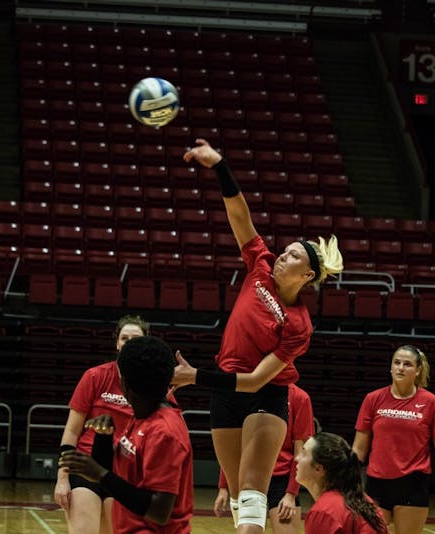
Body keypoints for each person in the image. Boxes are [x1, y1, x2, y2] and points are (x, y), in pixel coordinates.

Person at [171, 138, 344, 534]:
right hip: (224, 391)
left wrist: (195, 376)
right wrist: (219, 165)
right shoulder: (260, 266)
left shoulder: (299, 324)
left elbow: (253, 381)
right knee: (237, 496)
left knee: (252, 488)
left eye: (295, 256)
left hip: (264, 395)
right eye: (286, 250)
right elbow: (238, 214)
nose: (284, 255)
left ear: (307, 277)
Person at [58, 335, 194, 533]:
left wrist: (99, 474)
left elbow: (159, 510)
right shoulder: (141, 417)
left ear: (125, 385)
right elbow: (118, 476)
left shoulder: (164, 432)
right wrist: (104, 438)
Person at [54, 315, 149, 534]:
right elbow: (71, 431)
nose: (129, 343)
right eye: (124, 338)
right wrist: (62, 478)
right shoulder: (95, 377)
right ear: (117, 343)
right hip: (86, 467)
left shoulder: (154, 385)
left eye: (135, 339)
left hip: (126, 475)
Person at [352, 345, 435, 534]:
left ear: (417, 371)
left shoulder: (432, 403)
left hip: (413, 484)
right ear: (390, 367)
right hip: (377, 483)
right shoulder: (373, 399)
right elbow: (359, 448)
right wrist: (349, 483)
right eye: (397, 363)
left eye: (407, 364)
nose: (400, 368)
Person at [214, 383, 315, 534]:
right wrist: (223, 487)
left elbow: (300, 451)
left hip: (281, 480)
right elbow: (234, 446)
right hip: (248, 475)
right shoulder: (245, 391)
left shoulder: (299, 397)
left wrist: (291, 494)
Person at [295, 431, 389, 534]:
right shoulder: (363, 501)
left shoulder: (324, 512)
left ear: (318, 469)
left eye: (304, 453)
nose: (296, 458)